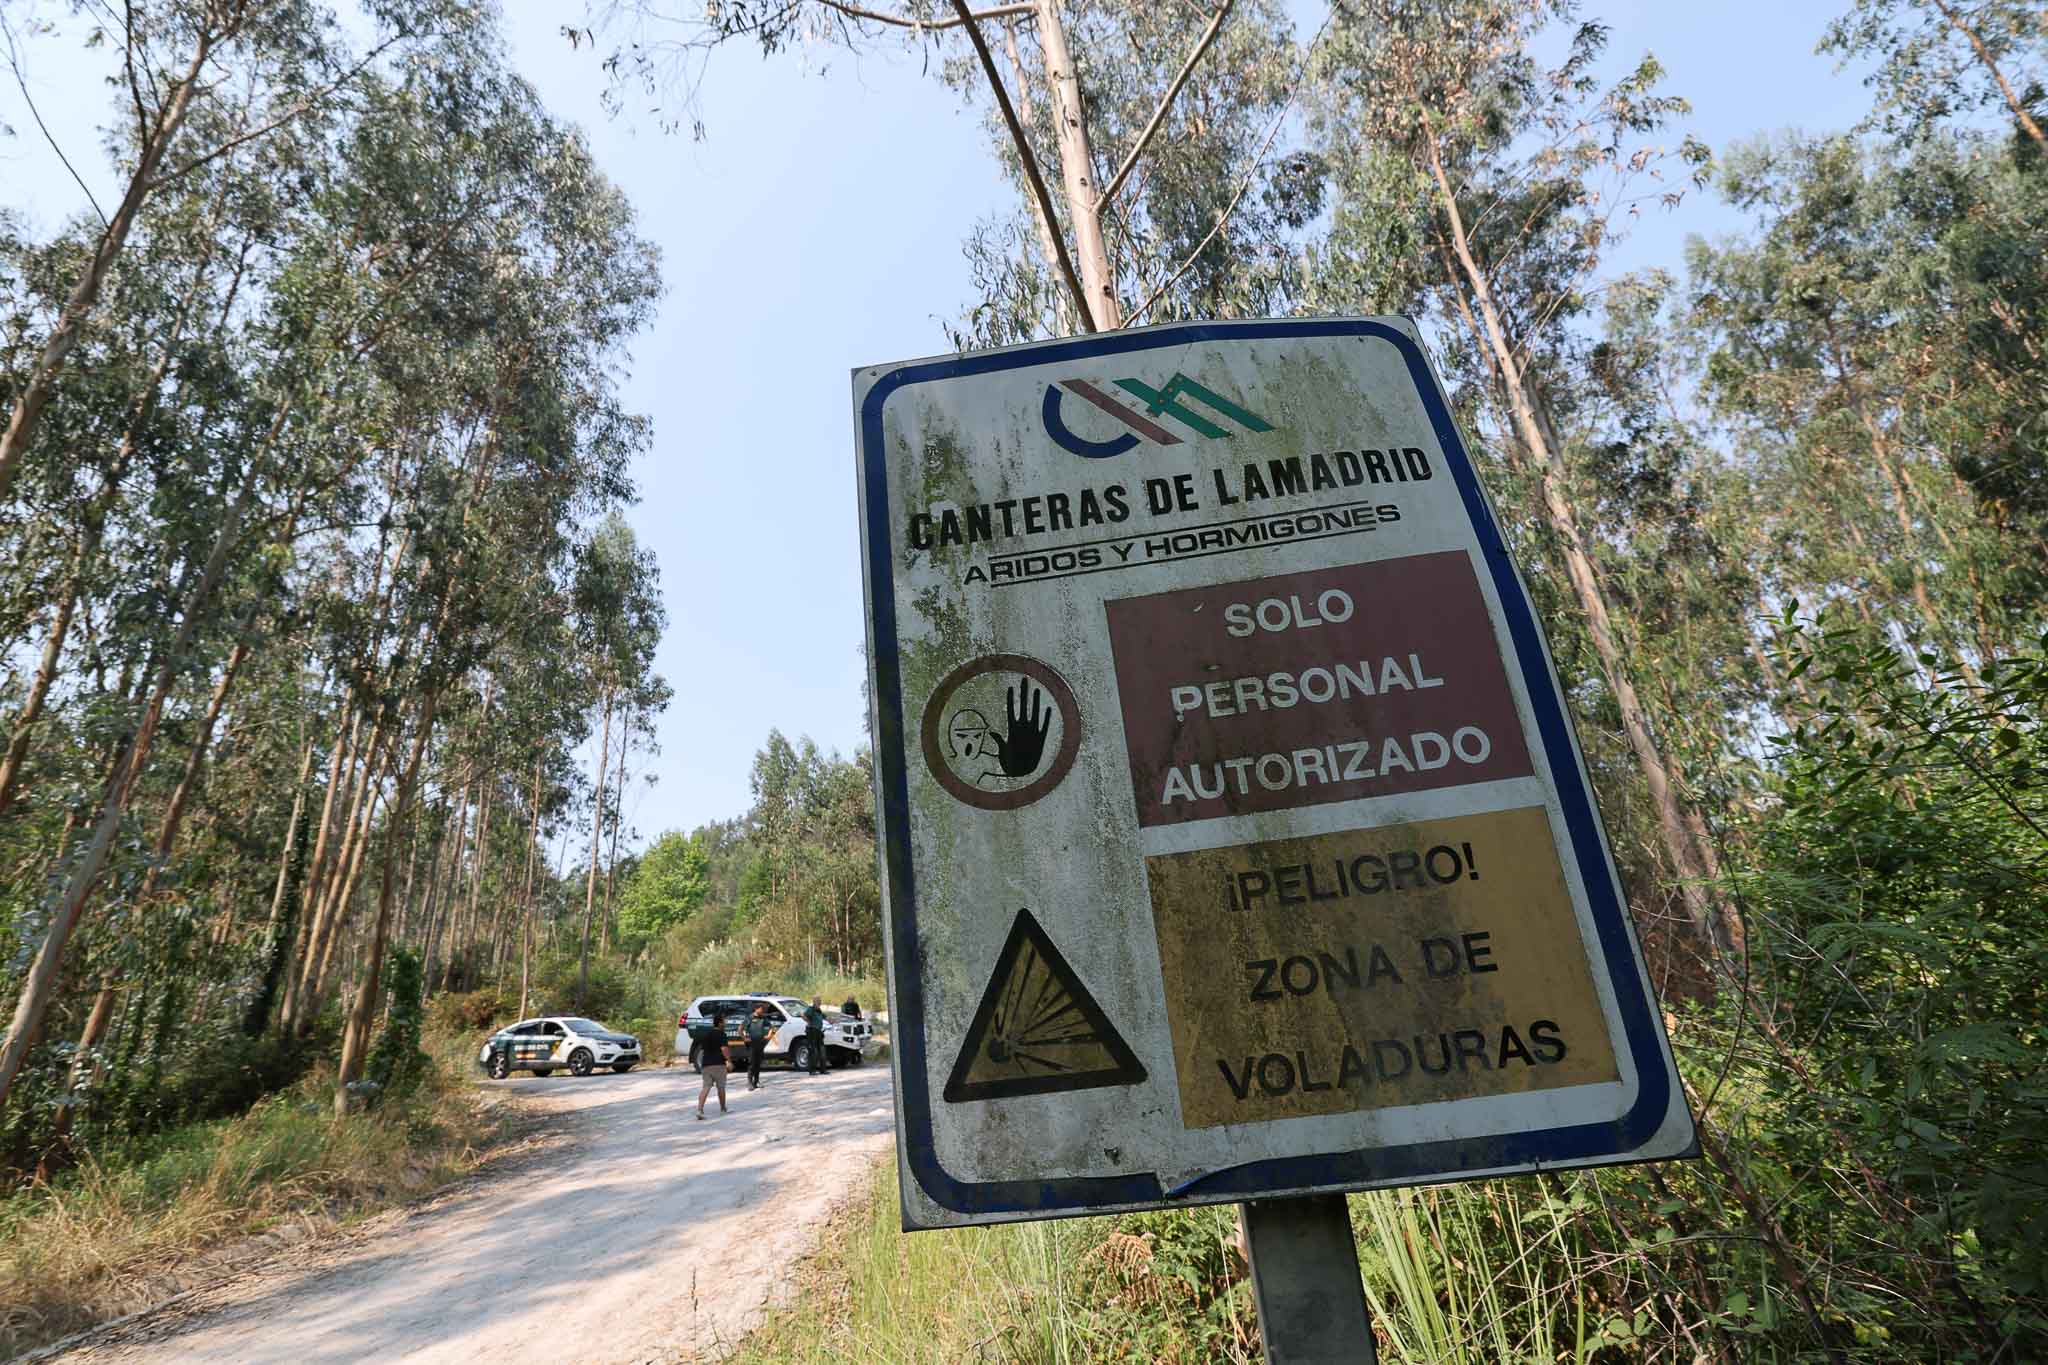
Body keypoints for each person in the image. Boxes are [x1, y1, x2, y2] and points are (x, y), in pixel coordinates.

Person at [693, 1008, 730, 1119]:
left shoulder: (707, 1034)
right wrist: (729, 1061)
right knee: (721, 1087)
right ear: (720, 1023)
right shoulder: (722, 1034)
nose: (726, 1023)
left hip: (706, 1065)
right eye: (724, 1021)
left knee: (706, 1087)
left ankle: (700, 1110)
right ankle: (723, 1109)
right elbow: (724, 1049)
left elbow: (703, 1050)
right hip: (719, 1065)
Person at [744, 1005, 771, 1090]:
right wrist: (744, 1037)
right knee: (752, 1063)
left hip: (760, 1043)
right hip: (752, 1044)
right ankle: (750, 1082)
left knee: (758, 1063)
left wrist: (769, 1036)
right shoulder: (749, 1018)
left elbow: (771, 1027)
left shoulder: (763, 1018)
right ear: (756, 1009)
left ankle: (756, 1081)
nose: (762, 1010)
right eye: (761, 1009)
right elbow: (741, 1029)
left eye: (763, 1009)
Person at [803, 997, 828, 1075]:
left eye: (820, 1001)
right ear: (814, 1002)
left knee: (822, 1050)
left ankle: (823, 1070)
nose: (820, 1002)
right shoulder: (811, 1009)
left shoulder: (819, 1010)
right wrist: (809, 1022)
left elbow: (824, 1017)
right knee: (813, 1051)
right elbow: (803, 1015)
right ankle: (812, 1070)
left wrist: (831, 1020)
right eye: (818, 1001)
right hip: (812, 1031)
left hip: (818, 1031)